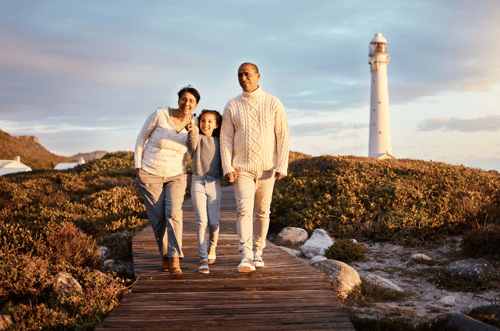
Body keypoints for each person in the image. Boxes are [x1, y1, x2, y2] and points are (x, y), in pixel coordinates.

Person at [220, 63, 290, 272]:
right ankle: (246, 255)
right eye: (240, 75)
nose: (243, 78)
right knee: (243, 211)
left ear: (258, 76)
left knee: (262, 211)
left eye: (247, 74)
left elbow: (283, 135)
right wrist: (227, 166)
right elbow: (225, 139)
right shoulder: (232, 105)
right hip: (242, 168)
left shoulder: (273, 103)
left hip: (268, 168)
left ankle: (259, 251)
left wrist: (282, 164)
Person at [134, 85, 200, 275]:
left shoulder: (194, 124)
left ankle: (175, 259)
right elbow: (141, 139)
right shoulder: (160, 114)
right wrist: (138, 167)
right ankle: (165, 256)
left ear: (196, 105)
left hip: (176, 175)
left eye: (191, 101)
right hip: (150, 172)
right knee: (158, 219)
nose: (187, 104)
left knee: (173, 214)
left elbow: (193, 151)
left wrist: (193, 132)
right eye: (184, 99)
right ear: (178, 99)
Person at [186, 109, 223, 274]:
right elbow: (192, 138)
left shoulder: (221, 141)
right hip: (198, 182)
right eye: (203, 121)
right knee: (202, 222)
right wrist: (193, 129)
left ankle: (212, 247)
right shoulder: (197, 138)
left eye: (210, 121)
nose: (205, 124)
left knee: (213, 223)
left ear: (216, 124)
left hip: (214, 183)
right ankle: (203, 259)